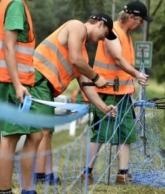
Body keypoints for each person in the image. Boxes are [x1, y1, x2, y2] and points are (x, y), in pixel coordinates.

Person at [31, 13, 117, 185]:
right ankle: (40, 176)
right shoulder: (77, 26)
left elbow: (87, 86)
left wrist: (103, 106)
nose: (102, 40)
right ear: (100, 24)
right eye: (104, 34)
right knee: (43, 131)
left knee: (47, 131)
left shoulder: (83, 54)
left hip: (45, 86)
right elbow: (75, 60)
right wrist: (96, 76)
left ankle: (45, 175)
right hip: (37, 78)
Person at [82, 0, 152, 185]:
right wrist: (138, 74)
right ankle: (86, 173)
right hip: (106, 92)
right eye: (140, 21)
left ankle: (123, 174)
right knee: (100, 133)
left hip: (123, 93)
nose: (140, 25)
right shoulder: (112, 32)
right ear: (131, 18)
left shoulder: (126, 34)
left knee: (126, 133)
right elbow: (119, 59)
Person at [0, 0, 41, 194]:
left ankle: (27, 189)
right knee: (10, 138)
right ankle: (5, 191)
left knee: (36, 133)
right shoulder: (16, 4)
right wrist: (18, 85)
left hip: (17, 81)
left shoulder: (14, 4)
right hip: (12, 83)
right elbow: (8, 47)